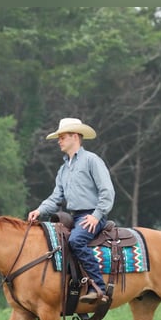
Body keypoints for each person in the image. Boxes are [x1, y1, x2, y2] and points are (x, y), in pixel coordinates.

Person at [28, 117, 115, 304]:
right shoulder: (63, 169)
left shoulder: (92, 160)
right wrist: (39, 210)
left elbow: (107, 191)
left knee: (76, 241)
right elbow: (56, 197)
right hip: (75, 216)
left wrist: (96, 216)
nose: (59, 141)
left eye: (62, 137)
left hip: (92, 214)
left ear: (75, 136)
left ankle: (98, 287)